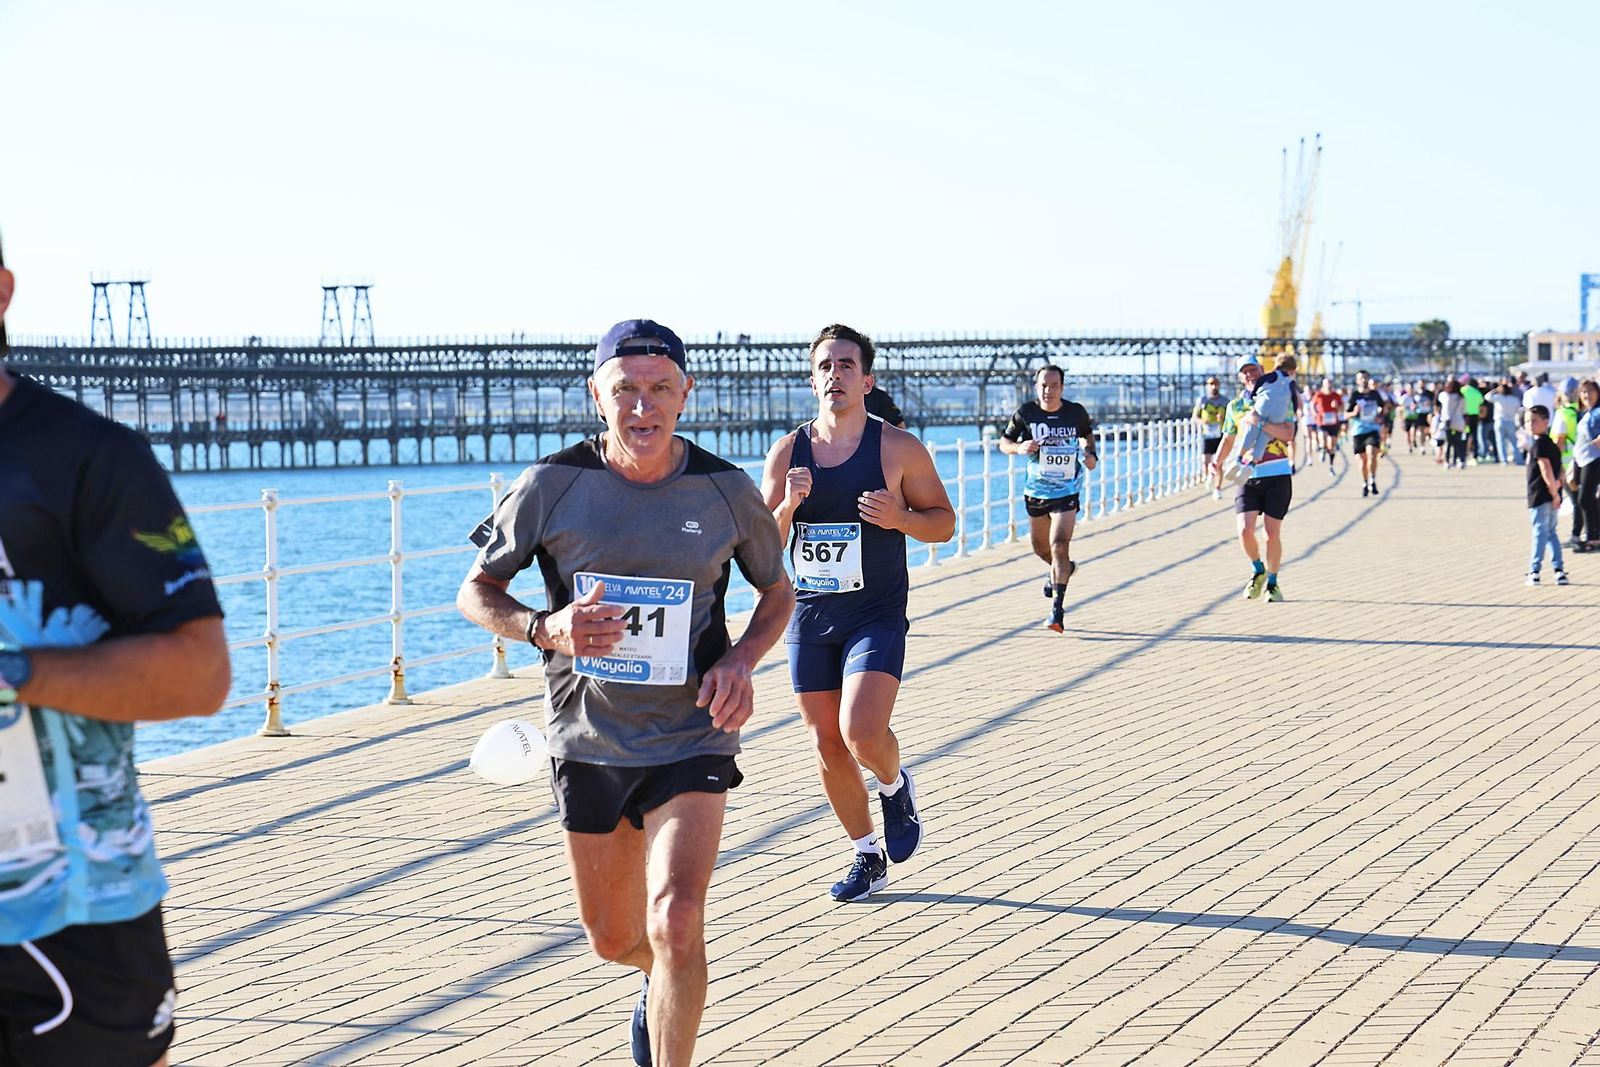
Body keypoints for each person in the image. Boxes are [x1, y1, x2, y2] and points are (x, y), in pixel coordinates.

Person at [458, 319, 794, 1067]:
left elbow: (777, 592)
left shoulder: (727, 490)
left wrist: (740, 661)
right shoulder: (551, 485)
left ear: (686, 394)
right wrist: (546, 627)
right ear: (597, 396)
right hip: (588, 738)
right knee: (614, 937)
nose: (643, 408)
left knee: (677, 917)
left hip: (693, 733)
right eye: (625, 392)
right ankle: (660, 983)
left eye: (659, 390)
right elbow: (476, 591)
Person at [0, 236, 232, 1067]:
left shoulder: (84, 457)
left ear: (1, 291)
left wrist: (17, 676)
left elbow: (202, 672)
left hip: (73, 909)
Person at [761, 323, 954, 903]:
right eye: (825, 366)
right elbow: (761, 548)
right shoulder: (787, 452)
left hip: (876, 611)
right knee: (826, 744)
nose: (835, 375)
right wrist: (790, 503)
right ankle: (866, 854)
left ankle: (895, 785)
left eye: (846, 365)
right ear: (812, 379)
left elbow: (943, 523)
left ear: (866, 379)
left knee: (860, 730)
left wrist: (901, 519)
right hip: (811, 612)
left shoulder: (896, 447)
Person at [997, 364, 1099, 631]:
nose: (1048, 390)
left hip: (1067, 490)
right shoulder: (1026, 413)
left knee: (1058, 544)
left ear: (1062, 388)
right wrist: (1019, 447)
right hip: (1036, 491)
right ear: (1036, 386)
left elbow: (1087, 435)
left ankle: (1057, 611)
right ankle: (1062, 569)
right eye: (1043, 385)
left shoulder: (1075, 413)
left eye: (1054, 385)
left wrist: (1091, 455)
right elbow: (1003, 442)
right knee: (1041, 548)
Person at [1214, 358, 1297, 601]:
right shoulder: (1235, 407)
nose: (1249, 374)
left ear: (1262, 371)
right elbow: (1228, 439)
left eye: (1253, 370)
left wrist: (1260, 422)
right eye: (1244, 372)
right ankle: (1257, 570)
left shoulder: (1280, 396)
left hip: (1277, 473)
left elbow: (1288, 434)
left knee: (1271, 534)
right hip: (1247, 477)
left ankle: (1272, 582)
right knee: (1244, 531)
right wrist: (1216, 463)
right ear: (1240, 377)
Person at [1524, 405, 1569, 586]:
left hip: (1540, 494)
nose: (1530, 424)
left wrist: (1552, 489)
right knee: (1551, 532)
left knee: (1540, 532)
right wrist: (1558, 486)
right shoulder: (1552, 445)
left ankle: (1534, 571)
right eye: (1527, 421)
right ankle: (1559, 570)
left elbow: (1546, 467)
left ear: (1546, 422)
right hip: (1552, 495)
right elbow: (1562, 469)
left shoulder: (1540, 444)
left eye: (1534, 421)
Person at [1345, 371, 1389, 496]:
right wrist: (1353, 413)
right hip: (1358, 431)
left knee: (1372, 454)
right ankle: (1365, 482)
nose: (1363, 380)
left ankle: (1372, 480)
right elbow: (1346, 414)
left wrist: (1380, 416)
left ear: (1368, 379)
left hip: (1372, 429)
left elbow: (1384, 407)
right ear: (1357, 381)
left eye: (1365, 378)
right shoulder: (1354, 396)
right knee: (1362, 461)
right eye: (1361, 378)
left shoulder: (1375, 394)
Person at [1572, 381, 1600, 554]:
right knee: (1588, 499)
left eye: (1590, 392)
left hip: (1594, 460)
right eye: (1583, 392)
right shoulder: (1585, 413)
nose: (1586, 396)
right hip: (1583, 460)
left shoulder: (1598, 412)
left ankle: (1592, 538)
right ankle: (1594, 536)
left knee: (1584, 499)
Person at [1192, 377, 1229, 478]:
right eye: (1211, 384)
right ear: (1207, 386)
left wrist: (1223, 418)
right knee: (1206, 462)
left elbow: (1231, 419)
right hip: (1207, 435)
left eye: (1216, 383)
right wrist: (1202, 421)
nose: (1213, 386)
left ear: (1219, 385)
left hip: (1220, 434)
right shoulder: (1202, 400)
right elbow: (1195, 416)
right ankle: (1210, 479)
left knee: (1219, 464)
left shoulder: (1225, 401)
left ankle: (1217, 488)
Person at [1310, 378, 1344, 474]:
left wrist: (1337, 406)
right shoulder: (1319, 395)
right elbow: (1312, 405)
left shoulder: (1336, 396)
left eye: (1330, 384)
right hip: (1322, 422)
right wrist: (1314, 413)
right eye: (1327, 384)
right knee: (1323, 439)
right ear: (1323, 385)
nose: (1329, 386)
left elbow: (1342, 408)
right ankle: (1322, 449)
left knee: (1332, 445)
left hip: (1333, 423)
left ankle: (1331, 466)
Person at [1487, 381, 1524, 465]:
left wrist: (1495, 390)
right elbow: (1517, 409)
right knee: (1513, 442)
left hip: (1500, 420)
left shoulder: (1498, 398)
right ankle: (1518, 459)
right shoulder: (1515, 399)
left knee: (1500, 441)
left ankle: (1504, 460)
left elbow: (1487, 396)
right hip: (1511, 420)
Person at [1438, 379, 1469, 468]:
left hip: (1448, 421)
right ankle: (1460, 460)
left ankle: (1447, 461)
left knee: (1448, 443)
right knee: (1458, 442)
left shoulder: (1444, 395)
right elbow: (1464, 411)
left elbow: (1439, 398)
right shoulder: (1461, 398)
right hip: (1459, 422)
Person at [1405, 379, 1435, 453]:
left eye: (1423, 383)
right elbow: (1413, 403)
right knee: (1421, 430)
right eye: (1420, 383)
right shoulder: (1416, 393)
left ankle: (1433, 446)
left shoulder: (1429, 393)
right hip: (1419, 413)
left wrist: (1429, 403)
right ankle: (1422, 447)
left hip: (1428, 413)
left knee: (1430, 430)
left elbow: (1434, 402)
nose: (1422, 384)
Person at [1461, 375, 1485, 463]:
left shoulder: (1463, 390)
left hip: (1464, 415)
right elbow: (1481, 404)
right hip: (1475, 415)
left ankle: (1463, 453)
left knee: (1464, 435)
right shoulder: (1477, 393)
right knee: (1474, 435)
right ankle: (1475, 454)